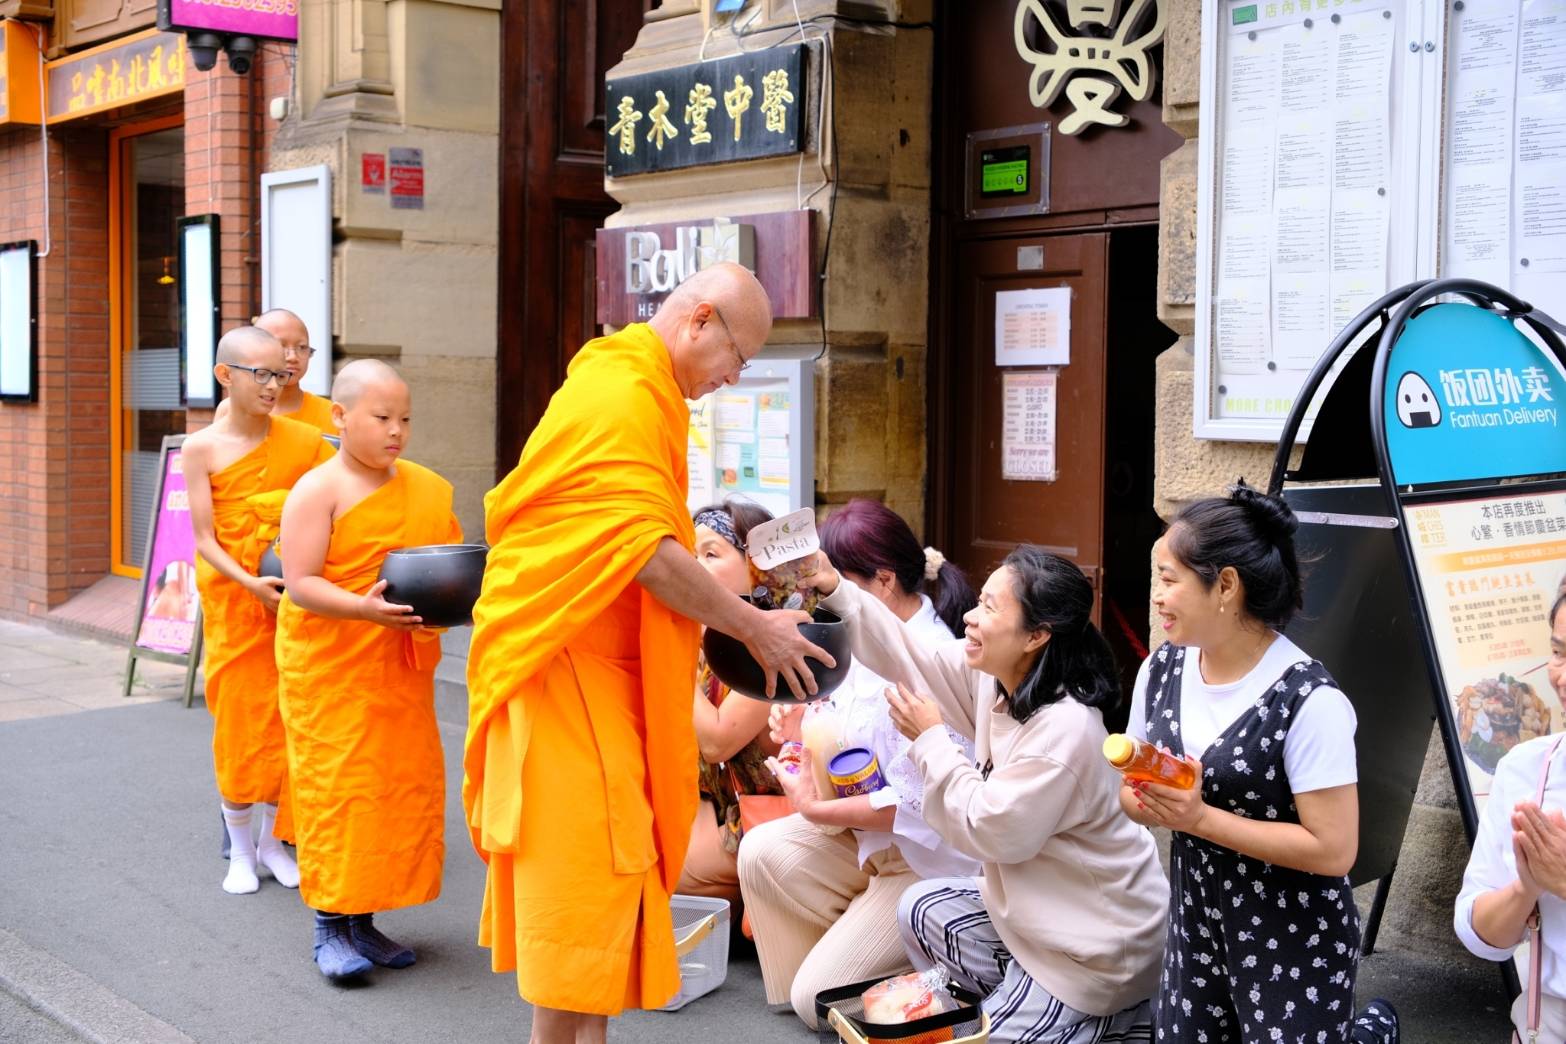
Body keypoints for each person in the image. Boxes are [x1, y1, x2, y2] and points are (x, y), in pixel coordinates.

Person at [461, 262, 832, 1043]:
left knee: (598, 918)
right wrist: (749, 624)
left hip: (601, 681)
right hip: (566, 679)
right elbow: (642, 552)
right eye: (736, 359)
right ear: (699, 321)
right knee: (582, 910)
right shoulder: (621, 394)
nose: (732, 380)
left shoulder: (643, 394)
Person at [798, 544, 1166, 1042]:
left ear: (1036, 635)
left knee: (983, 1036)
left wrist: (929, 740)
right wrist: (837, 589)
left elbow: (990, 831)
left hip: (1092, 952)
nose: (970, 616)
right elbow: (910, 655)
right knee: (923, 908)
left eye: (991, 607)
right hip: (1037, 919)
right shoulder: (996, 679)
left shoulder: (1066, 729)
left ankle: (1114, 1016)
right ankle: (1034, 1005)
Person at [1121, 483, 1397, 1043]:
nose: (1157, 595)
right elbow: (1131, 796)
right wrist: (1152, 800)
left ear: (1225, 585)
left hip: (1293, 941)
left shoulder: (1310, 702)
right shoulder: (1161, 672)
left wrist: (1198, 819)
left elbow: (1335, 850)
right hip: (1196, 927)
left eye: (1169, 579)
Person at [737, 500, 982, 1029]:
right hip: (867, 845)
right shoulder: (853, 638)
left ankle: (960, 972)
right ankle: (843, 965)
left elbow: (917, 806)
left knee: (817, 998)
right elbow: (846, 752)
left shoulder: (937, 657)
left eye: (833, 581)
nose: (818, 594)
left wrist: (814, 809)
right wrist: (802, 737)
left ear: (884, 580)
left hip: (926, 865)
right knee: (761, 850)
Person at [275, 359, 462, 980]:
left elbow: (445, 562)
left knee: (394, 791)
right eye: (382, 417)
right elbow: (299, 584)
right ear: (340, 416)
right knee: (341, 793)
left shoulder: (426, 487)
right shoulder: (317, 489)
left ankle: (365, 921)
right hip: (332, 667)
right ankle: (330, 926)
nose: (396, 432)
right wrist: (363, 609)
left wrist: (445, 604)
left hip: (396, 667)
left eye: (405, 419)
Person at [182, 326, 333, 896]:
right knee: (243, 731)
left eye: (284, 374)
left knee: (292, 723)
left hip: (293, 604)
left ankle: (274, 841)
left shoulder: (301, 439)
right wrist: (251, 584)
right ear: (227, 375)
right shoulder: (201, 448)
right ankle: (241, 852)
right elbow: (204, 538)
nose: (277, 384)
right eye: (263, 374)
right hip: (237, 603)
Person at [1456, 588, 1566, 1040]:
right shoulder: (1526, 767)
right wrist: (1527, 887)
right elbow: (1479, 932)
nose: (1561, 676)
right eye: (1559, 652)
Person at [677, 499, 785, 909]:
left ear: (755, 569)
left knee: (662, 869)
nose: (692, 567)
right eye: (688, 556)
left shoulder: (776, 641)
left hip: (768, 815)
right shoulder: (709, 631)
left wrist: (676, 656)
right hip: (718, 802)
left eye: (710, 554)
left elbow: (717, 741)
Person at [214, 309, 335, 433]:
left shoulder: (330, 413)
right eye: (281, 346)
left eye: (302, 347)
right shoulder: (231, 409)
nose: (293, 357)